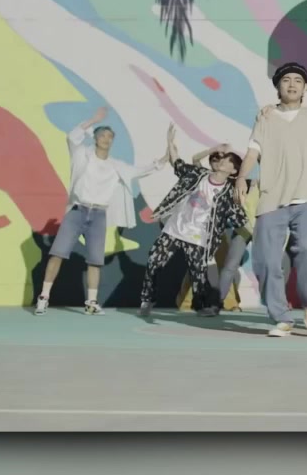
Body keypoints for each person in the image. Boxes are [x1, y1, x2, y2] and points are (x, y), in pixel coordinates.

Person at [36, 106, 164, 316]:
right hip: (77, 211)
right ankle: (44, 297)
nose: (107, 139)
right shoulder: (82, 155)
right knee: (57, 254)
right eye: (103, 135)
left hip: (98, 215)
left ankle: (91, 302)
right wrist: (93, 120)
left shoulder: (116, 165)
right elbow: (72, 137)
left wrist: (163, 160)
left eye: (110, 137)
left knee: (95, 260)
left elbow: (139, 171)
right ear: (95, 138)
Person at [234, 62, 307, 337]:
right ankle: (281, 317)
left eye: (298, 80)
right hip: (271, 198)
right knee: (266, 261)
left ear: (305, 87)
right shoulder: (266, 117)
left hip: (306, 198)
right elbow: (253, 151)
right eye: (286, 80)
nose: (292, 84)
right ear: (278, 87)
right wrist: (241, 177)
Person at [140, 126, 248, 318]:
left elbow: (240, 219)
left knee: (199, 276)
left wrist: (246, 213)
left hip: (198, 238)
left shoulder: (229, 194)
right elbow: (177, 162)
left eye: (229, 160)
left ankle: (204, 306)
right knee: (153, 261)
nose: (223, 160)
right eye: (222, 158)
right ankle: (147, 299)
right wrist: (169, 142)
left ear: (233, 171)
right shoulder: (197, 175)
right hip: (174, 229)